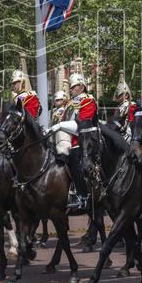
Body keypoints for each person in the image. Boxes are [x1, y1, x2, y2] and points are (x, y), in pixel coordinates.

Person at [47, 72, 96, 210]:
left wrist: (60, 126)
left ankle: (82, 195)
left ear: (81, 86)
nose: (71, 89)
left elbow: (82, 126)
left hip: (84, 140)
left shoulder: (87, 100)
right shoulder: (70, 104)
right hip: (68, 139)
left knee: (74, 157)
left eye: (73, 87)